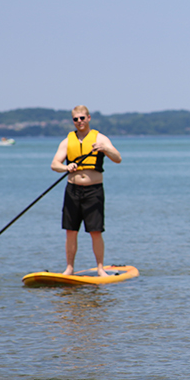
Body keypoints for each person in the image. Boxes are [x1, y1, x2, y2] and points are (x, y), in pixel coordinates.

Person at [51, 106, 122, 277]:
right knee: (71, 231)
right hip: (72, 191)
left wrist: (105, 148)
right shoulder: (67, 141)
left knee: (95, 231)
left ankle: (100, 268)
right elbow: (54, 164)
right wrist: (66, 167)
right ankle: (69, 268)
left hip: (94, 191)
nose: (79, 122)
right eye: (76, 119)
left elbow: (118, 158)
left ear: (89, 118)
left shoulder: (100, 138)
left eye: (82, 118)